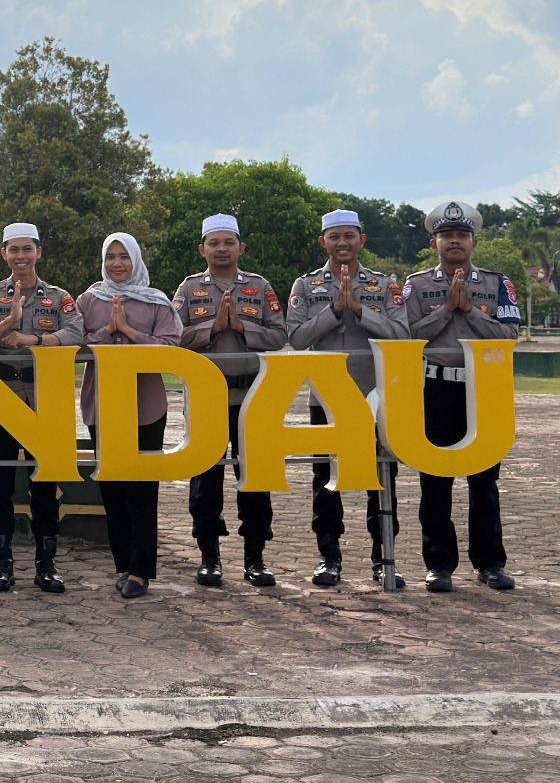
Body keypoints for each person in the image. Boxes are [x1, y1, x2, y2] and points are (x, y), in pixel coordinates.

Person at [287, 209, 411, 588]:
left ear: (362, 240)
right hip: (325, 399)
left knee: (382, 476)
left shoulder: (384, 285)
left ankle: (383, 557)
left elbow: (402, 334)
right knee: (325, 480)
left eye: (349, 236)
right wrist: (335, 309)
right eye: (334, 236)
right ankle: (329, 558)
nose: (342, 243)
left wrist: (360, 310)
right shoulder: (305, 286)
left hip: (377, 397)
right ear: (323, 241)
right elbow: (296, 337)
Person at [403, 201, 520, 593]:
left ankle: (490, 564)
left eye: (462, 235)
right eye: (447, 235)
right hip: (435, 388)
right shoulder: (416, 285)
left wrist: (469, 310)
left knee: (484, 481)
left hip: (483, 388)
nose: (455, 241)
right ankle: (439, 565)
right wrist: (445, 312)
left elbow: (508, 335)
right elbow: (407, 336)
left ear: (473, 241)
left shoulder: (496, 283)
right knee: (435, 479)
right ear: (433, 241)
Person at [172, 213, 288, 588]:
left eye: (229, 242)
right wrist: (213, 328)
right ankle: (209, 557)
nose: (222, 249)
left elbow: (279, 335)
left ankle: (255, 558)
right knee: (206, 480)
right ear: (202, 248)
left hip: (253, 395)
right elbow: (174, 337)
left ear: (241, 247)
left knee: (254, 476)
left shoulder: (259, 286)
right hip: (207, 395)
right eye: (214, 243)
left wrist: (241, 327)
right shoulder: (188, 290)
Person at [0, 222, 85, 594]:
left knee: (46, 482)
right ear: (3, 254)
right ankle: (1, 563)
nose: (21, 256)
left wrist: (34, 338)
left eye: (27, 249)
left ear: (38, 252)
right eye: (13, 250)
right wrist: (9, 323)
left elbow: (76, 333)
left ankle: (46, 564)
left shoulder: (60, 296)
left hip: (44, 394)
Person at [77, 234, 181, 599]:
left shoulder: (156, 301)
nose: (117, 263)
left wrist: (131, 332)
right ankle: (122, 564)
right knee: (111, 489)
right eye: (110, 257)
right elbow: (74, 347)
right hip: (101, 405)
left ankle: (140, 571)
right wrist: (107, 331)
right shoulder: (88, 300)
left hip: (146, 408)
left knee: (142, 490)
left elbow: (172, 347)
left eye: (124, 257)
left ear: (136, 260)